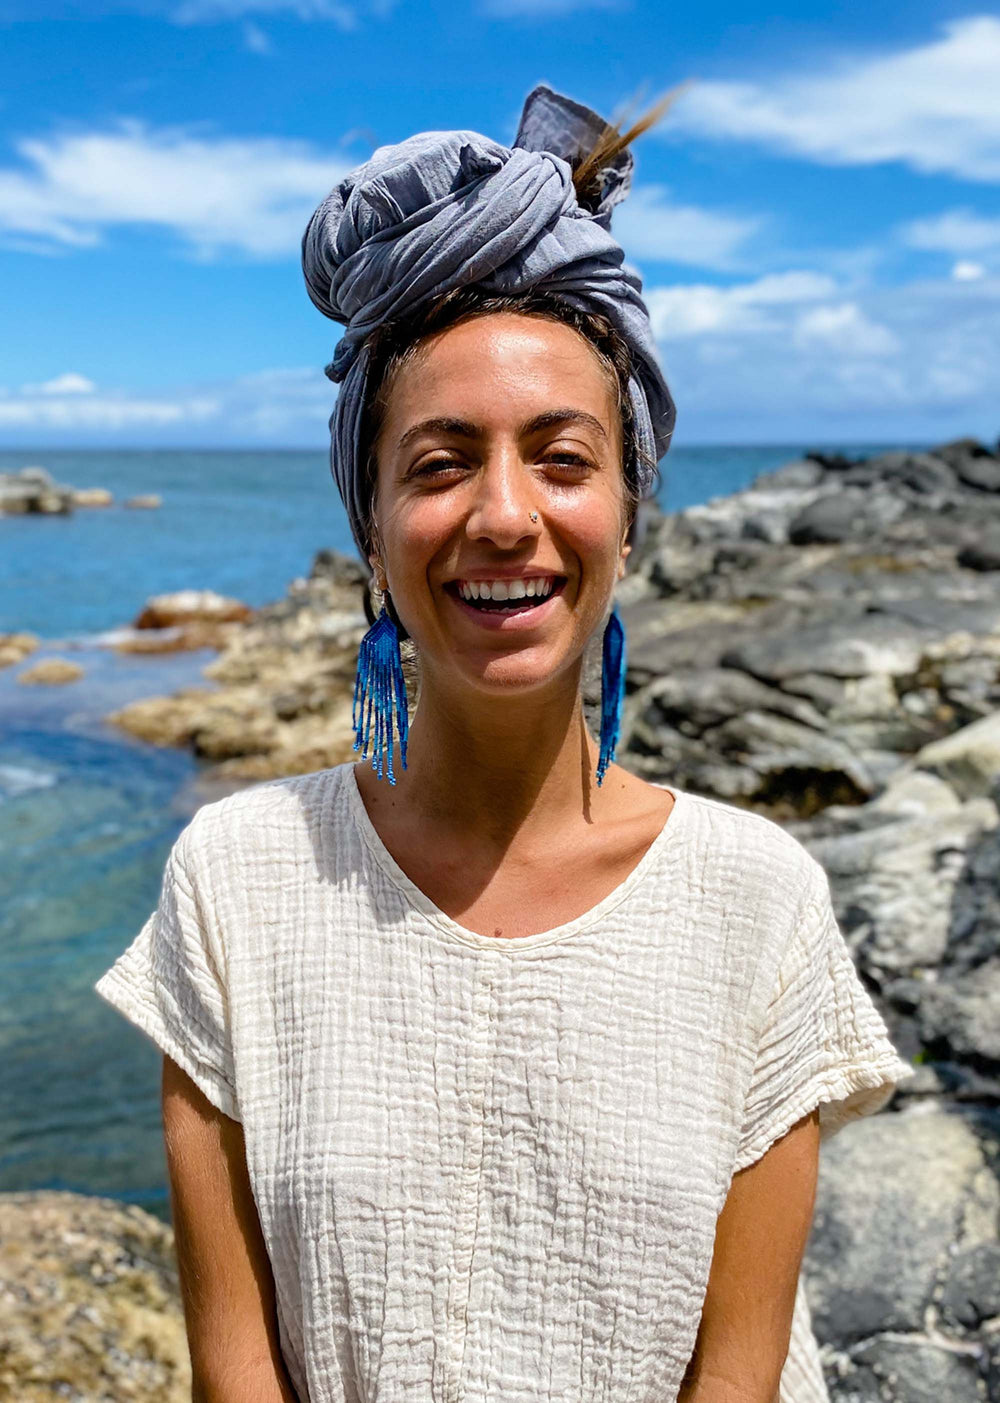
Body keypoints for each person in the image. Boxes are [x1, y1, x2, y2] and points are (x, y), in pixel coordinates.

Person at [94, 83, 914, 1403]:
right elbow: (234, 1377)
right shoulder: (236, 880)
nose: (503, 515)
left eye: (561, 457)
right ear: (368, 528)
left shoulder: (757, 901)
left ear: (632, 510)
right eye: (439, 462)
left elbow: (740, 1382)